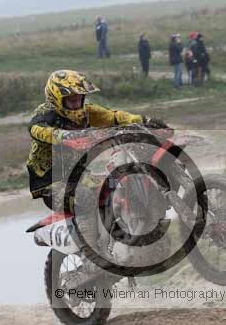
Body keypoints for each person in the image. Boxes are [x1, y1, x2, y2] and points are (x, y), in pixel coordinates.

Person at [26, 70, 166, 269]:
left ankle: (120, 240)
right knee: (85, 198)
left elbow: (114, 117)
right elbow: (36, 129)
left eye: (79, 99)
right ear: (57, 99)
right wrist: (64, 136)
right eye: (71, 100)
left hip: (81, 176)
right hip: (51, 183)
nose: (76, 104)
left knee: (114, 187)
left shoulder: (87, 112)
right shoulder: (46, 115)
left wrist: (145, 120)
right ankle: (91, 259)